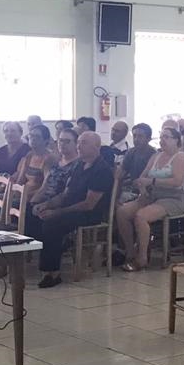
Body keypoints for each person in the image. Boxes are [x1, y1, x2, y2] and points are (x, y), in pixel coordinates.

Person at [32, 131, 114, 288]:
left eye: (84, 143)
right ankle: (51, 253)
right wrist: (47, 204)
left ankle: (53, 272)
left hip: (89, 214)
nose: (78, 146)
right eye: (79, 142)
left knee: (52, 223)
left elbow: (88, 204)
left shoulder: (101, 170)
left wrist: (56, 212)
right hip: (70, 208)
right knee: (33, 215)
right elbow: (66, 194)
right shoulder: (79, 165)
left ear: (96, 147)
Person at [116, 127, 184, 271]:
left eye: (167, 137)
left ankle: (142, 258)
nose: (162, 140)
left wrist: (152, 181)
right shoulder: (156, 156)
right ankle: (130, 251)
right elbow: (142, 177)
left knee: (141, 216)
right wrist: (143, 188)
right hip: (152, 195)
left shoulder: (180, 157)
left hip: (173, 198)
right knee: (122, 212)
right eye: (161, 137)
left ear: (176, 140)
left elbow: (177, 181)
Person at [31, 127, 78, 208]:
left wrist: (45, 206)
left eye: (67, 141)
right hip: (42, 203)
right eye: (60, 140)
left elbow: (66, 195)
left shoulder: (78, 165)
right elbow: (44, 187)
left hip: (58, 207)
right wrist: (32, 203)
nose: (62, 144)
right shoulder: (55, 161)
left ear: (76, 144)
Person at [16, 123, 57, 206]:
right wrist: (14, 192)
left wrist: (27, 198)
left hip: (36, 198)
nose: (33, 139)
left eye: (37, 137)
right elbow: (20, 180)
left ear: (45, 141)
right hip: (22, 194)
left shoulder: (50, 158)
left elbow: (46, 186)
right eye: (31, 135)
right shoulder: (29, 155)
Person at [117, 124, 157, 199]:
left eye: (140, 136)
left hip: (149, 192)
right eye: (134, 136)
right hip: (131, 189)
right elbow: (121, 173)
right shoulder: (131, 152)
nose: (136, 139)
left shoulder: (154, 155)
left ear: (148, 139)